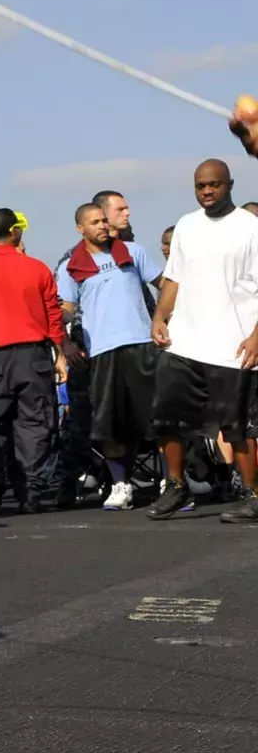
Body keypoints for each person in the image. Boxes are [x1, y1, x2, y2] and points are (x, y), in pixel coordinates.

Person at [149, 159, 258, 522]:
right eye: (200, 186)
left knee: (237, 426)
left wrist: (257, 336)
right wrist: (160, 316)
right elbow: (174, 279)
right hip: (185, 341)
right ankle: (176, 487)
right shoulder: (186, 225)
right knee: (168, 418)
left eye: (214, 185)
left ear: (229, 184)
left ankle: (253, 494)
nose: (207, 192)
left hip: (232, 345)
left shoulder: (249, 227)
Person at [0, 209, 67, 513]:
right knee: (35, 423)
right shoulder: (37, 268)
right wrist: (58, 350)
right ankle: (30, 491)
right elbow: (53, 315)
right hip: (33, 357)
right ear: (14, 232)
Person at [56, 202, 161, 511]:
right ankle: (120, 485)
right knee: (110, 423)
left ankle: (172, 483)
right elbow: (64, 310)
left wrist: (164, 319)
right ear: (81, 229)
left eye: (104, 220)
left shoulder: (132, 252)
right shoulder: (70, 266)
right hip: (101, 352)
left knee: (157, 417)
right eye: (94, 222)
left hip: (141, 344)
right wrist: (63, 342)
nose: (102, 225)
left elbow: (165, 284)